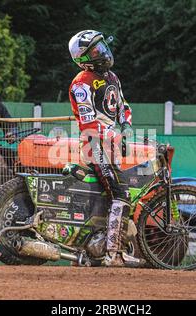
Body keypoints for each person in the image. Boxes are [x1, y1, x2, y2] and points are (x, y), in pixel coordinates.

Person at [68, 30, 142, 267]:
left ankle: (92, 252)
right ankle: (114, 254)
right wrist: (115, 135)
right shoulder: (81, 84)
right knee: (120, 194)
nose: (104, 52)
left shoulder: (113, 77)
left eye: (102, 46)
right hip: (94, 145)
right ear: (84, 59)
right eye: (96, 50)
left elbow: (123, 106)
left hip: (111, 144)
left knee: (110, 197)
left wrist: (126, 126)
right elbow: (88, 124)